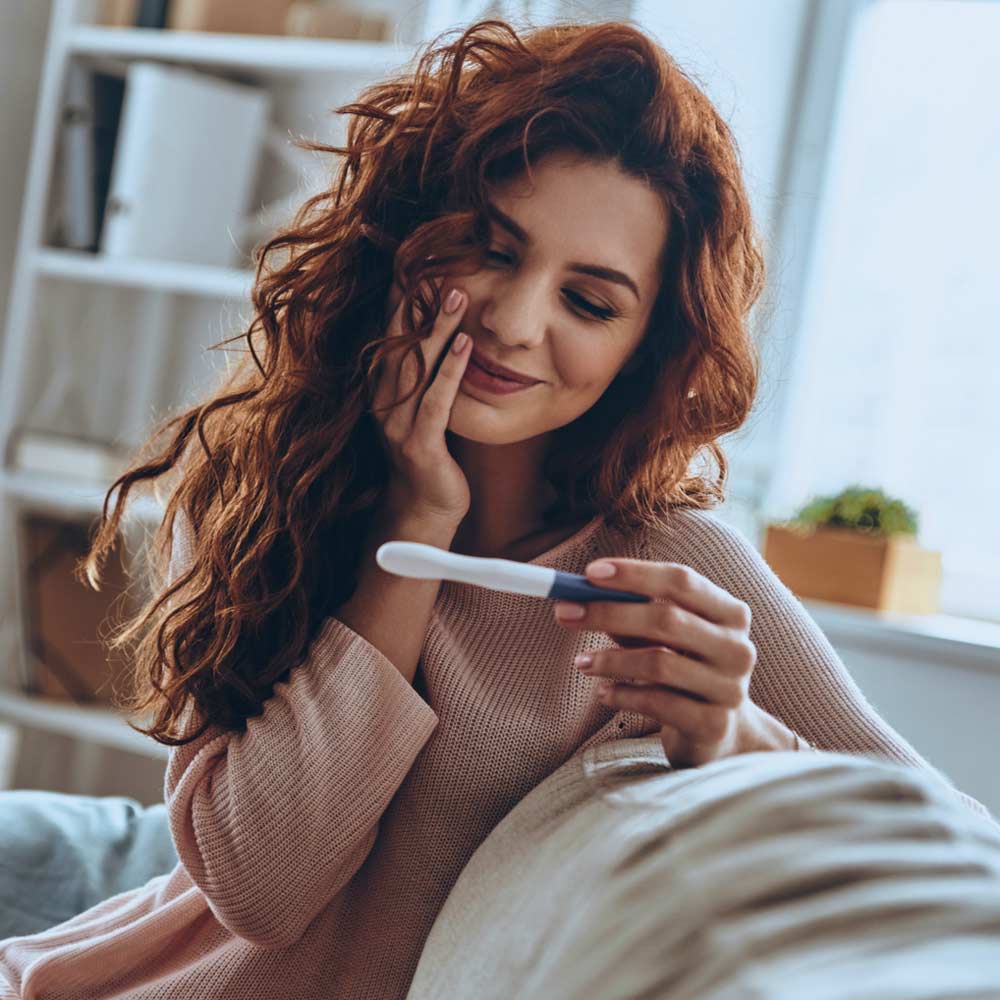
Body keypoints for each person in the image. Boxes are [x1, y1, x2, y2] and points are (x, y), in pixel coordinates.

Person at [1, 16, 992, 1000]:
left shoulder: (667, 561)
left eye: (590, 302)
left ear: (646, 346)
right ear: (405, 240)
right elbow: (260, 887)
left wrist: (742, 741)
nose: (515, 325)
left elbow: (953, 860)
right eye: (489, 249)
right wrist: (414, 521)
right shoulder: (268, 485)